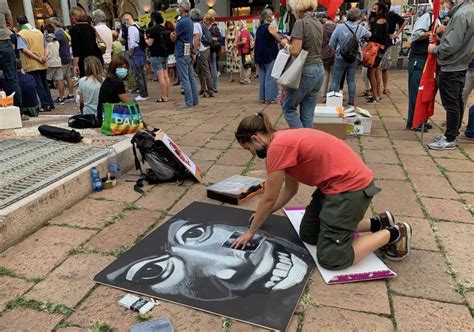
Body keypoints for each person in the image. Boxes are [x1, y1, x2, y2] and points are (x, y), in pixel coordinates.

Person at [231, 112, 412, 269]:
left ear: (255, 138)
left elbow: (270, 197)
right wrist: (263, 215)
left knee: (332, 258)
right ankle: (378, 223)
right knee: (309, 234)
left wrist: (251, 232)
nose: (252, 154)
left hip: (350, 189)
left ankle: (395, 233)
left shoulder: (277, 148)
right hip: (334, 186)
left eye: (249, 149)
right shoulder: (282, 140)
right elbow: (290, 190)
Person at [267, 0, 325, 128]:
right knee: (308, 114)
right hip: (319, 70)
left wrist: (278, 37)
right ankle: (308, 143)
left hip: (306, 70)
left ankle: (301, 140)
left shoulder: (301, 22)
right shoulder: (318, 22)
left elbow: (294, 51)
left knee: (288, 108)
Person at [427, 0, 474, 150]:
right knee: (457, 100)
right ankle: (452, 133)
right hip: (461, 63)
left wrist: (435, 49)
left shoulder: (462, 14)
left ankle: (450, 138)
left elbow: (452, 45)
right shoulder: (468, 11)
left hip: (452, 65)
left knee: (451, 103)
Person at [328, 8, 371, 107]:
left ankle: (331, 102)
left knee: (335, 80)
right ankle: (351, 102)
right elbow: (369, 34)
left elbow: (332, 43)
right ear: (358, 17)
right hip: (353, 57)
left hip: (340, 56)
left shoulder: (339, 27)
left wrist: (335, 53)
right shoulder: (360, 28)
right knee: (351, 80)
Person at [405, 7, 436, 131]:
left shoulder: (436, 19)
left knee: (425, 93)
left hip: (428, 61)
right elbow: (415, 35)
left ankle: (421, 119)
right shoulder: (427, 17)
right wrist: (432, 32)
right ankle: (414, 121)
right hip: (419, 60)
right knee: (417, 93)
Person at [16, 15, 55, 112]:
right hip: (43, 61)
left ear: (18, 24)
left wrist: (37, 58)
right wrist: (44, 57)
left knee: (38, 85)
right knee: (44, 83)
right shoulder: (38, 31)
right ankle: (50, 103)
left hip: (31, 63)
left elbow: (24, 50)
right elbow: (46, 47)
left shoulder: (21, 34)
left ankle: (45, 104)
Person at [170, 0, 199, 108]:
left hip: (181, 51)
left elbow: (174, 37)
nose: (178, 8)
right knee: (191, 77)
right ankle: (194, 100)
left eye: (179, 7)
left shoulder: (181, 22)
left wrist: (172, 35)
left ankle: (189, 102)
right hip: (188, 51)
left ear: (182, 8)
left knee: (184, 79)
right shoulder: (190, 21)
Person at [0, 0, 25, 118]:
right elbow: (9, 21)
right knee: (12, 79)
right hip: (4, 42)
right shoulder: (2, 2)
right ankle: (19, 111)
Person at [379, 1, 407, 96]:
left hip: (387, 43)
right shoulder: (378, 15)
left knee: (385, 66)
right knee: (374, 67)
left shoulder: (392, 15)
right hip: (376, 43)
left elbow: (404, 22)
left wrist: (397, 34)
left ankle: (385, 87)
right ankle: (374, 87)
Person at [121, 13, 149, 102]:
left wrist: (131, 52)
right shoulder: (137, 25)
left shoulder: (131, 28)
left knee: (138, 74)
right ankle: (144, 93)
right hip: (140, 51)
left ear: (127, 20)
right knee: (141, 73)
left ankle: (143, 94)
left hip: (136, 51)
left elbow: (132, 43)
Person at [69, 6, 104, 78]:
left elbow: (76, 50)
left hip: (84, 61)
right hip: (96, 58)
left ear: (73, 17)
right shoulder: (91, 27)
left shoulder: (75, 29)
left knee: (86, 81)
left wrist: (75, 65)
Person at [254, 8, 279, 104]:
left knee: (263, 76)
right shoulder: (270, 27)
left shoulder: (259, 28)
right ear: (268, 16)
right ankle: (270, 97)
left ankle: (263, 96)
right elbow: (277, 37)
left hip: (260, 55)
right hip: (269, 54)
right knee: (270, 76)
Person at [366, 3, 389, 104]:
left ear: (380, 11)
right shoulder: (380, 20)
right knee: (374, 72)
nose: (373, 10)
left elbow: (375, 37)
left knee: (371, 72)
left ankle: (375, 96)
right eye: (372, 8)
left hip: (376, 50)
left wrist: (368, 31)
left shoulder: (380, 21)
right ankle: (377, 95)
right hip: (378, 49)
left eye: (375, 9)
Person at [146, 12, 171, 102]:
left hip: (156, 55)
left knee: (160, 76)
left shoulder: (153, 29)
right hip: (164, 54)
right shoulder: (164, 28)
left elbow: (150, 43)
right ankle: (167, 95)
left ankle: (163, 96)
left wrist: (145, 39)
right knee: (166, 75)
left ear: (153, 19)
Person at [49, 17, 75, 103]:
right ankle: (70, 94)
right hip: (67, 57)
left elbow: (51, 42)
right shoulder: (62, 32)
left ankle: (61, 97)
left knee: (60, 79)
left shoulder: (58, 33)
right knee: (67, 77)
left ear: (53, 24)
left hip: (62, 58)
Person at [98, 55, 130, 123]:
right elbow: (126, 101)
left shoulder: (108, 80)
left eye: (125, 67)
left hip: (103, 114)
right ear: (114, 68)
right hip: (110, 117)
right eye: (121, 67)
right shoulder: (118, 82)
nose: (123, 69)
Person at [191, 8, 213, 98]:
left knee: (205, 70)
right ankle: (203, 89)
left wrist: (195, 52)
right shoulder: (199, 24)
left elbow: (196, 38)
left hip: (202, 50)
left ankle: (210, 90)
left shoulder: (195, 25)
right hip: (203, 49)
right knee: (199, 71)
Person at [44, 24, 65, 104]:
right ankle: (61, 97)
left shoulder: (46, 39)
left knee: (45, 81)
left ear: (46, 30)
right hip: (58, 61)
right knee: (60, 80)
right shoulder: (56, 40)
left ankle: (47, 99)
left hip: (50, 62)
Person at [320, 14, 337, 102]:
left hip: (323, 54)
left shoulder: (321, 27)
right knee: (334, 77)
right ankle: (332, 95)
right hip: (334, 54)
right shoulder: (336, 27)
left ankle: (323, 95)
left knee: (325, 75)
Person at [207, 16, 221, 93]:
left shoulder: (214, 28)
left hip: (212, 50)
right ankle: (210, 86)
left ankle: (214, 86)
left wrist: (211, 38)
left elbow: (220, 38)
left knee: (213, 68)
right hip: (205, 50)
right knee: (208, 69)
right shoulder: (204, 28)